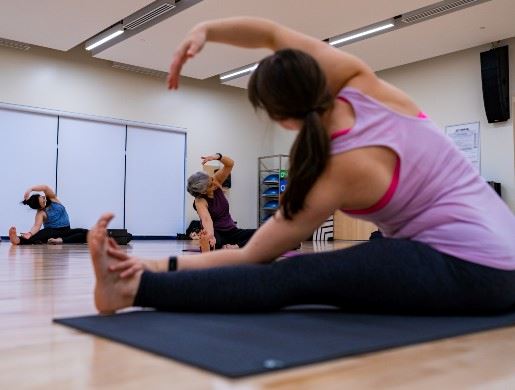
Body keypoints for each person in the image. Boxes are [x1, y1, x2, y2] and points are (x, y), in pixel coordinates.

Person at [88, 17, 515, 315]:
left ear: (281, 120)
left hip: (476, 271)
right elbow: (271, 33)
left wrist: (149, 267)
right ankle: (130, 284)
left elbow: (253, 258)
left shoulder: (332, 171)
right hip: (500, 255)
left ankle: (129, 289)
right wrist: (207, 30)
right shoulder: (362, 83)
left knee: (293, 275)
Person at [187, 153, 255, 251]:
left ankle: (236, 247)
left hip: (232, 231)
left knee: (263, 233)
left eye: (211, 179)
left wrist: (217, 157)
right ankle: (227, 247)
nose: (213, 183)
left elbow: (230, 164)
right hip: (216, 232)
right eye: (210, 185)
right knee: (210, 243)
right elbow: (206, 220)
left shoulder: (216, 180)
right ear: (203, 192)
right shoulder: (199, 201)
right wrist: (210, 236)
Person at [9, 185, 88, 245]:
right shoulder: (41, 213)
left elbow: (45, 188)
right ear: (40, 207)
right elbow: (36, 226)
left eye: (43, 198)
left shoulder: (53, 199)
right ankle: (18, 240)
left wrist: (31, 189)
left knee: (85, 233)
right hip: (52, 231)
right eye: (43, 203)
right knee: (40, 234)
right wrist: (30, 233)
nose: (45, 200)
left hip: (66, 230)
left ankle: (60, 240)